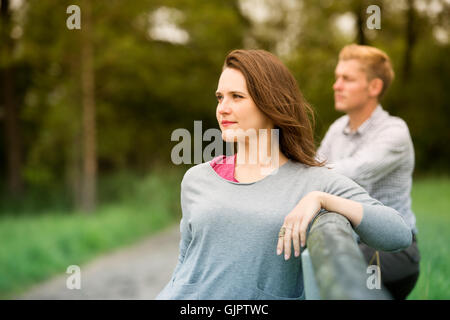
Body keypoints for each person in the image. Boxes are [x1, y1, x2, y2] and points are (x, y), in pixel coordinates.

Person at [156, 49, 412, 300]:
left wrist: (323, 200)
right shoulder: (197, 178)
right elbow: (185, 262)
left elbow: (398, 233)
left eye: (236, 96)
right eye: (219, 97)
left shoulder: (313, 182)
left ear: (271, 103)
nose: (222, 108)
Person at [317, 44, 420, 299]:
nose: (336, 85)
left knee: (334, 269)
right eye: (336, 77)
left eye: (346, 79)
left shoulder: (394, 132)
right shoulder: (337, 128)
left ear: (373, 87)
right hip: (344, 237)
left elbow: (350, 172)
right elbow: (314, 168)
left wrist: (298, 169)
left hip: (392, 249)